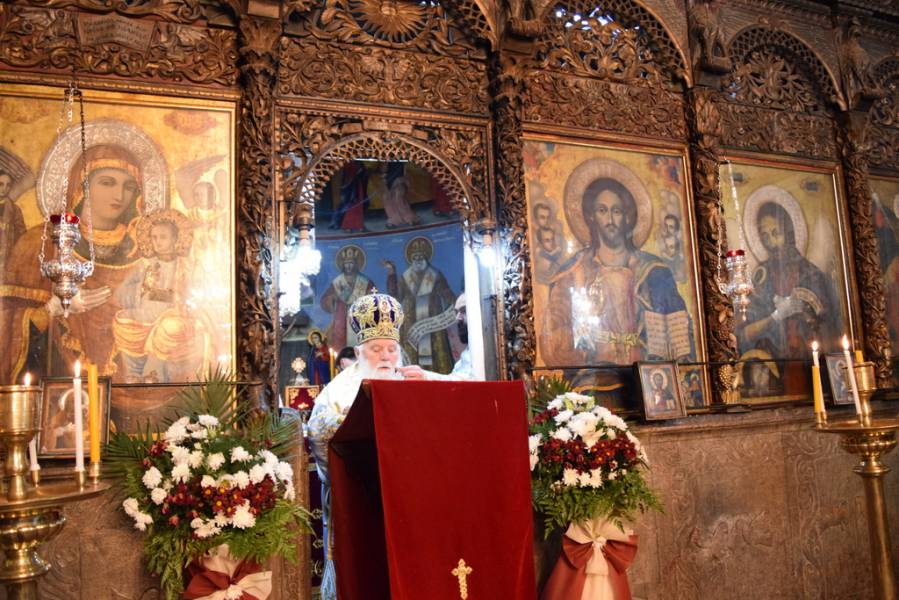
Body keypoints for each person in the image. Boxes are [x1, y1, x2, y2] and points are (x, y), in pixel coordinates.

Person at [306, 291, 456, 600]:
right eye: (376, 349)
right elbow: (321, 439)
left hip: (411, 504)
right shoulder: (337, 393)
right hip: (359, 501)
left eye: (391, 349)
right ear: (358, 353)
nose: (385, 356)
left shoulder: (415, 380)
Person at [0, 144, 145, 382]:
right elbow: (7, 324)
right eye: (107, 183)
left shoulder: (144, 249)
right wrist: (53, 309)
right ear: (81, 186)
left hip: (125, 382)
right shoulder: (40, 242)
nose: (119, 195)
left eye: (129, 186)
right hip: (58, 384)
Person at [541, 178, 692, 366]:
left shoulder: (655, 272)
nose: (610, 220)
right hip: (595, 374)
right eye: (602, 210)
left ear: (627, 217)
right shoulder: (575, 272)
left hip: (646, 373)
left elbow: (681, 334)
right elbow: (554, 331)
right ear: (591, 216)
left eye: (616, 211)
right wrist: (583, 354)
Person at [113, 209, 208, 383]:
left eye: (163, 237)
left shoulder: (187, 266)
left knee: (168, 328)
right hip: (145, 316)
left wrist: (177, 296)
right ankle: (135, 376)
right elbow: (121, 293)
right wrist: (142, 288)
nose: (157, 242)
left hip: (174, 318)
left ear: (176, 239)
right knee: (124, 322)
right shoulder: (144, 265)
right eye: (154, 237)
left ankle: (155, 376)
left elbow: (198, 295)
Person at [738, 201, 839, 365]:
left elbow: (830, 324)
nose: (771, 243)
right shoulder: (760, 278)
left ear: (789, 233)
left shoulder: (811, 274)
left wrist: (807, 314)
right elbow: (745, 334)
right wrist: (775, 316)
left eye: (776, 233)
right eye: (765, 237)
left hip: (811, 359)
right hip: (774, 363)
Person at [385, 236, 457, 373]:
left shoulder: (435, 274)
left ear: (426, 257)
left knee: (436, 347)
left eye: (420, 256)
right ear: (411, 259)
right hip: (411, 321)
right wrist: (392, 273)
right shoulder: (406, 276)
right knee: (412, 348)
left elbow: (445, 292)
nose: (418, 259)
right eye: (415, 257)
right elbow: (396, 296)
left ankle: (437, 376)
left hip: (431, 319)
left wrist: (455, 303)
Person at [320, 245, 375, 350]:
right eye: (346, 264)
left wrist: (369, 297)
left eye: (351, 264)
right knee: (340, 337)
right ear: (343, 265)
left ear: (356, 265)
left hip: (360, 316)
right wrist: (332, 298)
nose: (349, 266)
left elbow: (375, 298)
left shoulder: (365, 282)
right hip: (342, 317)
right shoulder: (337, 282)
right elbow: (325, 300)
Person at [381, 162, 420, 229]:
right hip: (389, 181)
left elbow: (405, 173)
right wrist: (385, 178)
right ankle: (394, 219)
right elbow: (383, 171)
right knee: (385, 197)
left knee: (398, 196)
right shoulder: (386, 162)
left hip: (400, 181)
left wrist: (402, 180)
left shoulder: (401, 162)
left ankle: (410, 218)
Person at [0, 169, 25, 271]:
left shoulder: (15, 210)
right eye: (1, 184)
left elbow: (22, 237)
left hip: (5, 259)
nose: (4, 188)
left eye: (8, 185)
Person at [450, 293, 475, 380]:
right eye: (456, 312)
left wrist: (426, 376)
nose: (457, 318)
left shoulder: (489, 350)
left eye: (464, 311)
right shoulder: (461, 361)